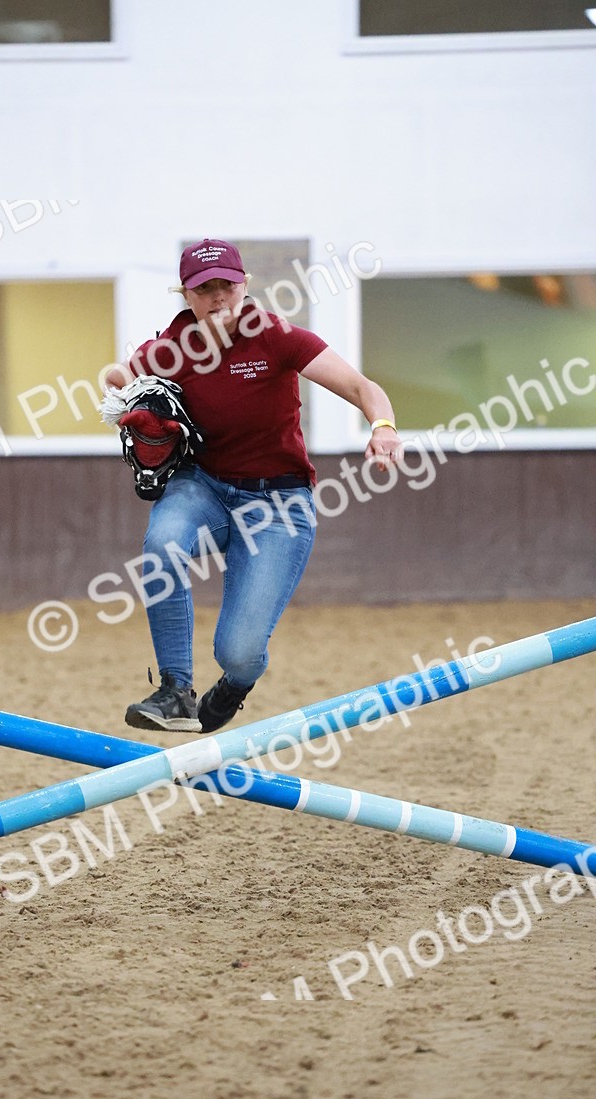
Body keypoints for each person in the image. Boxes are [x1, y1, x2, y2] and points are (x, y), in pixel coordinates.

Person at [103, 238, 402, 735]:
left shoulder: (278, 338)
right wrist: (123, 391)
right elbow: (121, 379)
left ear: (244, 287)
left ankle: (236, 684)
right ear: (187, 295)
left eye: (227, 285)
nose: (218, 296)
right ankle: (175, 690)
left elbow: (360, 387)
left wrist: (383, 428)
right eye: (205, 288)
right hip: (205, 488)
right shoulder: (168, 351)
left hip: (279, 503)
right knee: (162, 544)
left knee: (237, 652)